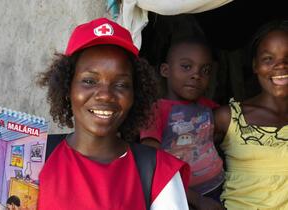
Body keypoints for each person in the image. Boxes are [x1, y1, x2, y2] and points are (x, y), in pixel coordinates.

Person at [37, 17, 190, 210]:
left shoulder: (156, 172)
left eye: (120, 85)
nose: (105, 95)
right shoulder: (32, 155)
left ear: (135, 94)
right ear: (68, 88)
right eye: (90, 81)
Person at [140, 36, 224, 210]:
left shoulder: (208, 107)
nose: (196, 75)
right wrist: (197, 201)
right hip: (178, 195)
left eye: (205, 70)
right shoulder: (155, 111)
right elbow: (151, 162)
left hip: (218, 188)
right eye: (186, 67)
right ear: (165, 70)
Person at [214, 19, 288, 209]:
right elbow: (181, 158)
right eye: (268, 59)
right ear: (255, 66)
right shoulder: (229, 117)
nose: (281, 66)